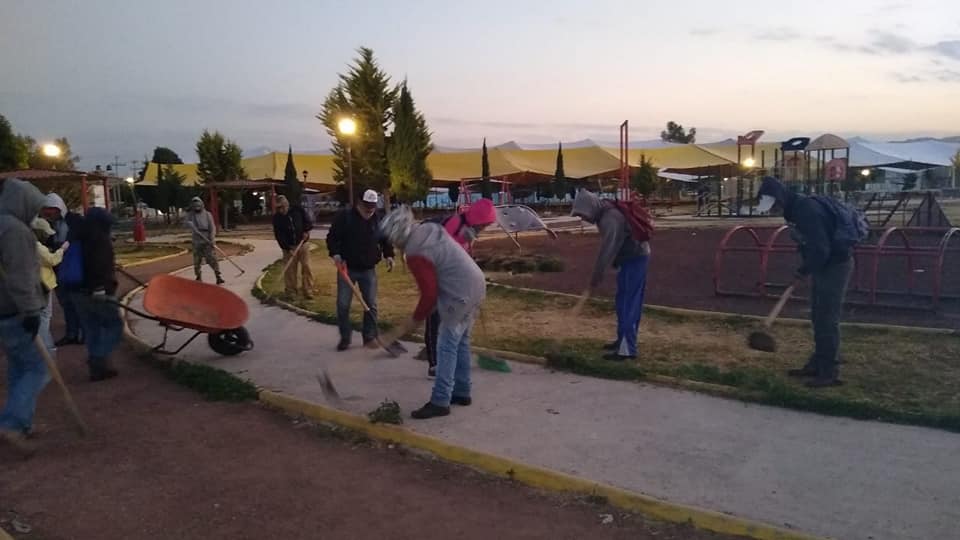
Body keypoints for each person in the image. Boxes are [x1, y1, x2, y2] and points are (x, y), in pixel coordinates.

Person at [375, 206, 486, 419]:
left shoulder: (415, 252)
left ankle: (440, 401)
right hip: (476, 283)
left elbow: (429, 295)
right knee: (461, 341)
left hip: (460, 293)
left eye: (391, 238)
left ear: (398, 235)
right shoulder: (428, 229)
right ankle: (462, 391)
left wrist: (414, 320)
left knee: (446, 344)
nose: (392, 243)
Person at [755, 177, 854, 388]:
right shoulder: (796, 209)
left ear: (780, 199)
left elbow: (821, 249)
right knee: (818, 316)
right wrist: (807, 267)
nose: (773, 211)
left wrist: (803, 271)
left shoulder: (806, 211)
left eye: (774, 207)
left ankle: (829, 371)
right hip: (824, 264)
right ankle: (817, 363)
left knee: (827, 318)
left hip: (834, 265)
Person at [571, 189, 651, 361]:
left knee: (629, 303)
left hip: (635, 259)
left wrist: (595, 277)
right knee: (622, 301)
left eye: (582, 214)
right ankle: (622, 340)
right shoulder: (606, 213)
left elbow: (607, 250)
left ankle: (627, 349)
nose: (583, 218)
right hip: (629, 259)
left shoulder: (610, 218)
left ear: (589, 207)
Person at [421, 198, 497, 378]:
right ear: (477, 219)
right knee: (434, 318)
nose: (484, 228)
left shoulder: (468, 228)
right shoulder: (455, 225)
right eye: (484, 224)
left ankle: (447, 358)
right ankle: (434, 363)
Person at [0, 179, 49, 455]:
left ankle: (23, 421)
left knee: (20, 366)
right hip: (15, 310)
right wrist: (30, 310)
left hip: (4, 310)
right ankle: (12, 423)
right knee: (38, 367)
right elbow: (20, 276)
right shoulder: (15, 231)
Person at [326, 189, 395, 351]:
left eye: (372, 207)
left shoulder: (378, 219)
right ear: (359, 204)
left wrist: (389, 255)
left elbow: (386, 240)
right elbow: (332, 237)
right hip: (346, 268)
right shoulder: (345, 217)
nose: (369, 210)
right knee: (343, 305)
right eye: (366, 207)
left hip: (368, 269)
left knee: (371, 304)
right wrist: (335, 254)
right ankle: (345, 337)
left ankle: (369, 336)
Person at [72, 207, 123, 382]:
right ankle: (97, 357)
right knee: (114, 326)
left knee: (92, 329)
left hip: (77, 291)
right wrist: (100, 287)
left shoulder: (77, 235)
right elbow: (98, 265)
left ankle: (99, 369)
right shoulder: (99, 240)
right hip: (98, 291)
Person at [43, 193, 84, 346]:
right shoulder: (49, 224)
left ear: (58, 208)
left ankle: (82, 332)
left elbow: (80, 237)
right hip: (58, 267)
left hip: (73, 266)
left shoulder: (74, 220)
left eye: (50, 210)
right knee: (65, 302)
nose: (48, 214)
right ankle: (71, 333)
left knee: (77, 301)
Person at [31, 217, 67, 357]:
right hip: (42, 284)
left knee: (40, 317)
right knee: (44, 317)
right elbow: (52, 260)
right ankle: (47, 350)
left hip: (34, 285)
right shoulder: (36, 246)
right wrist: (62, 249)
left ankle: (43, 348)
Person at [272, 194, 314, 298]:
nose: (280, 210)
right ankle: (291, 291)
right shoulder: (277, 218)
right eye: (278, 208)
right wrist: (287, 248)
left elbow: (308, 222)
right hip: (289, 246)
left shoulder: (298, 210)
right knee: (290, 269)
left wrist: (306, 231)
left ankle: (308, 290)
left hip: (302, 244)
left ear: (286, 204)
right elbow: (279, 235)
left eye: (282, 207)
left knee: (306, 266)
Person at [184, 196, 223, 284]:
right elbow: (186, 224)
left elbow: (212, 228)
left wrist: (212, 239)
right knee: (197, 260)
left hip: (207, 238)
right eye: (195, 206)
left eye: (198, 205)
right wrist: (190, 224)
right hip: (197, 240)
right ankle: (198, 276)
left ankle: (218, 276)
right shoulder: (190, 215)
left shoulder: (207, 214)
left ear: (202, 205)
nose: (197, 207)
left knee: (212, 258)